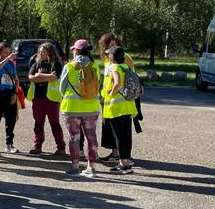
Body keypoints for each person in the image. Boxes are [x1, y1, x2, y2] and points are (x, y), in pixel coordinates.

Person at [58, 40, 102, 177]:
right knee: (91, 137)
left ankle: (75, 166)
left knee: (74, 138)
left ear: (76, 51)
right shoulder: (95, 66)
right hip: (92, 108)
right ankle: (91, 167)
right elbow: (98, 86)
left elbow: (61, 88)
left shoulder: (69, 66)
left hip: (72, 108)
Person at [102, 46, 138, 174]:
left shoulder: (114, 67)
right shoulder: (126, 67)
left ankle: (122, 163)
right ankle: (127, 162)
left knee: (119, 137)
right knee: (126, 136)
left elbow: (117, 83)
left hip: (116, 108)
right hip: (128, 106)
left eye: (109, 55)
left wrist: (111, 92)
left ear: (112, 57)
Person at [27, 42, 67, 156]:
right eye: (39, 51)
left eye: (43, 51)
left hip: (52, 99)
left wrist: (39, 76)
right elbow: (30, 77)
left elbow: (54, 77)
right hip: (38, 98)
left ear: (49, 52)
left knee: (54, 123)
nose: (40, 53)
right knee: (38, 123)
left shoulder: (56, 64)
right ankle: (37, 145)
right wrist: (46, 77)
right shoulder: (36, 63)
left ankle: (61, 147)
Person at [0, 41, 20, 154]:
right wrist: (7, 59)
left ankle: (9, 144)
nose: (8, 55)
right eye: (5, 53)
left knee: (10, 121)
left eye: (9, 53)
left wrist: (15, 93)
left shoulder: (11, 64)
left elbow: (16, 80)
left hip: (9, 94)